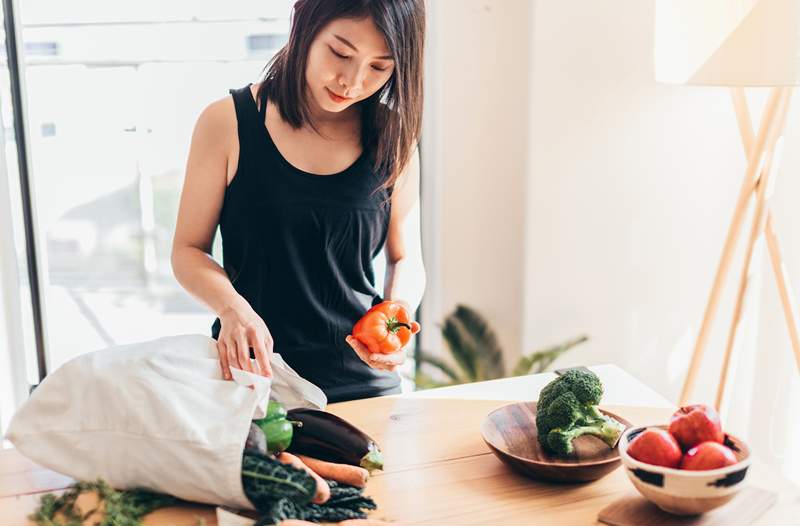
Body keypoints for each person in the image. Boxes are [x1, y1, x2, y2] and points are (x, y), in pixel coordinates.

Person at [171, 0, 426, 404]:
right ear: (303, 24)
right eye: (340, 53)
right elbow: (187, 251)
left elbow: (405, 257)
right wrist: (233, 309)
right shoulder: (227, 122)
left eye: (380, 67)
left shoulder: (395, 135)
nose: (352, 81)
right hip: (253, 382)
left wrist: (396, 316)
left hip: (365, 387)